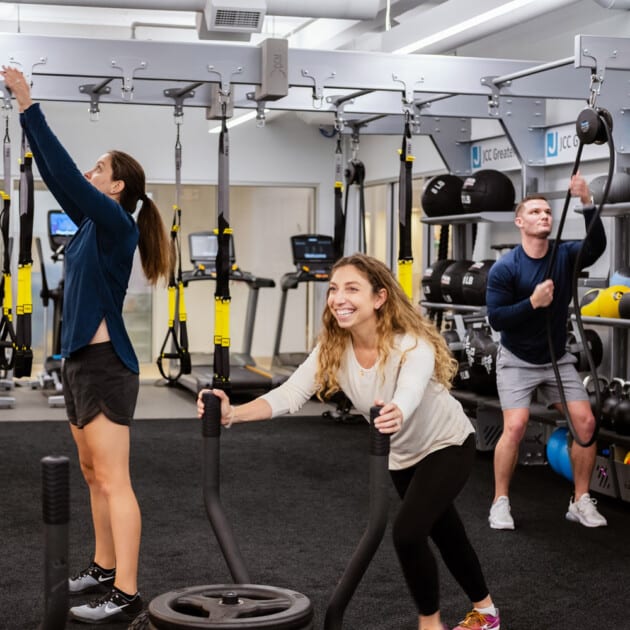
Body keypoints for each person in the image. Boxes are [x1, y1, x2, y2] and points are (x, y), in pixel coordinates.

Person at [197, 253, 500, 630]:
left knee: (408, 532)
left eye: (352, 289)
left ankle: (430, 624)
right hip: (401, 455)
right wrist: (232, 413)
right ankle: (486, 612)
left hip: (448, 443)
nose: (339, 298)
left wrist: (397, 411)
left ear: (379, 297)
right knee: (444, 531)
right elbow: (290, 395)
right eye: (334, 289)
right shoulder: (333, 348)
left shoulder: (410, 344)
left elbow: (410, 389)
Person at [3, 67, 171, 624]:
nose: (89, 172)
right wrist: (28, 127)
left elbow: (67, 182)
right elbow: (56, 174)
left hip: (105, 365)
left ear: (117, 186)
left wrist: (29, 104)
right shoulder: (88, 228)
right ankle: (102, 566)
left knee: (114, 477)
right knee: (92, 473)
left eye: (99, 167)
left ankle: (126, 593)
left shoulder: (116, 223)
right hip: (78, 362)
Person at [486, 173, 607, 530]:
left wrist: (585, 201)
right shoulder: (506, 268)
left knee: (585, 423)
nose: (544, 216)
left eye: (548, 212)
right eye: (536, 211)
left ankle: (580, 500)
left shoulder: (564, 255)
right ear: (520, 221)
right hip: (517, 360)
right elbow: (497, 318)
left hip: (556, 359)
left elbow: (596, 247)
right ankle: (500, 502)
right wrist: (533, 303)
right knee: (516, 425)